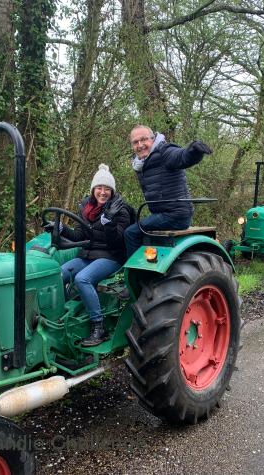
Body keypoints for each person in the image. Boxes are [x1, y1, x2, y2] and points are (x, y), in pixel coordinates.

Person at [46, 164, 132, 347]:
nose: (102, 192)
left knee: (82, 279)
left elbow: (117, 242)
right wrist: (60, 229)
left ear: (112, 191)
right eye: (99, 188)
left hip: (111, 256)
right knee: (58, 275)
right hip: (88, 254)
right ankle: (64, 317)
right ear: (93, 189)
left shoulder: (121, 209)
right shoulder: (86, 207)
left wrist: (108, 223)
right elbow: (79, 236)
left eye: (107, 189)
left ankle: (98, 327)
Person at [124, 125, 212, 256]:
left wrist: (194, 152)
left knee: (131, 233)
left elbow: (181, 156)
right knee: (135, 228)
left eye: (144, 139)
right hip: (162, 214)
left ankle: (136, 271)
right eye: (135, 142)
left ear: (153, 139)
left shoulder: (164, 152)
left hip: (175, 215)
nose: (140, 144)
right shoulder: (141, 163)